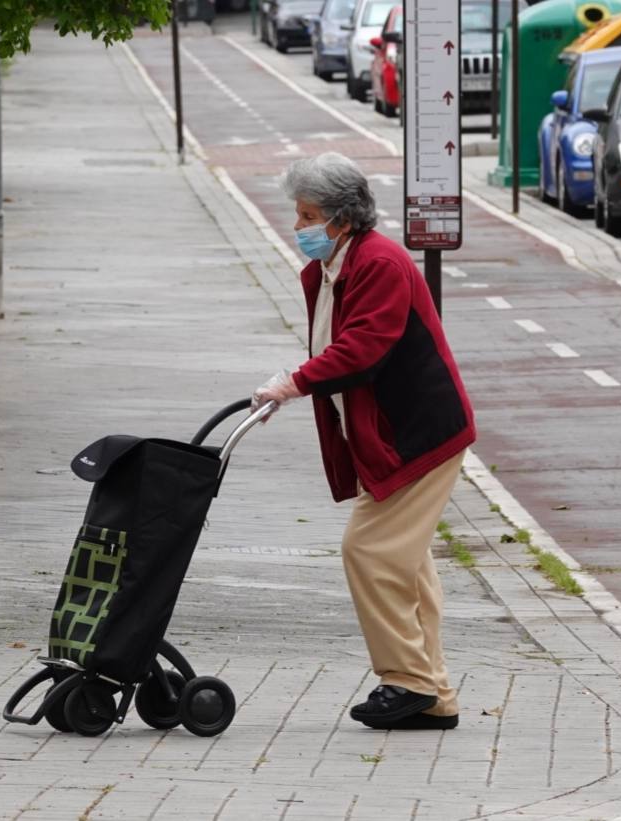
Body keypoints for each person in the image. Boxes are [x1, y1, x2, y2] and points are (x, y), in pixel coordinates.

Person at [253, 152, 476, 730]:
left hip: (420, 434)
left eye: (307, 216)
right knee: (407, 564)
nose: (298, 227)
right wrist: (292, 386)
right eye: (297, 214)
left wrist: (292, 384)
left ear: (342, 219)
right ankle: (435, 695)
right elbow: (339, 349)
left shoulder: (379, 263)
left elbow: (363, 349)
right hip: (392, 435)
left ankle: (407, 683)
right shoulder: (331, 268)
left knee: (370, 551)